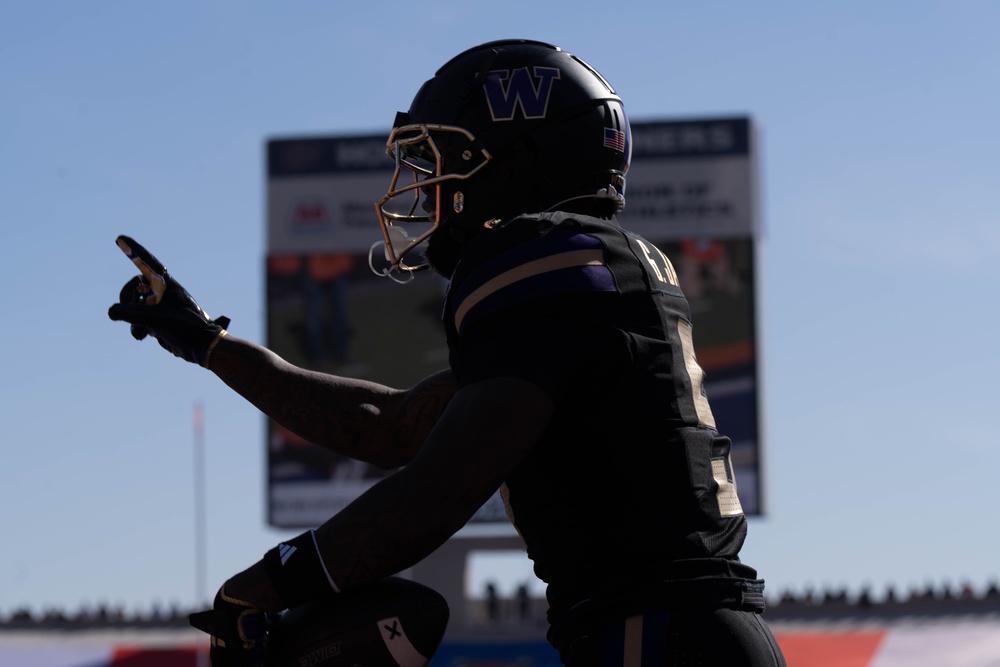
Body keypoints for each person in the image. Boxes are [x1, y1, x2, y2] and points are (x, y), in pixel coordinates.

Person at [108, 39, 786, 667]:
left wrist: (264, 582)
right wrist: (209, 344)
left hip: (657, 632)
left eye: (441, 159)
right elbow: (388, 423)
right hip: (674, 629)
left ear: (513, 163)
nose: (426, 188)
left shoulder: (548, 258)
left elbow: (439, 489)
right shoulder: (591, 273)